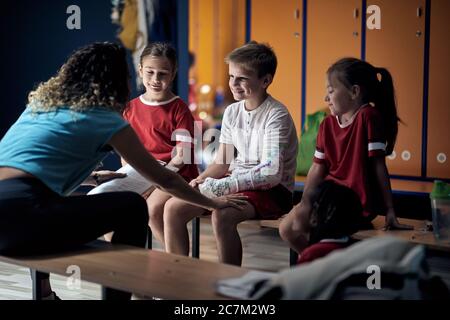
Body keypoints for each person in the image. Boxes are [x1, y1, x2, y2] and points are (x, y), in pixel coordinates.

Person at [0, 42, 247, 300]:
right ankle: (128, 290)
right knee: (131, 206)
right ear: (119, 80)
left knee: (48, 205)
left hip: (11, 213)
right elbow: (164, 179)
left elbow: (27, 166)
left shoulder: (40, 105)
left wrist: (93, 177)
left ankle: (44, 294)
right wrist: (211, 203)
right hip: (23, 218)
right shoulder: (107, 118)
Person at [161, 41, 298, 266]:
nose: (233, 84)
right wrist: (202, 179)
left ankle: (229, 284)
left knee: (222, 213)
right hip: (236, 182)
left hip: (273, 191)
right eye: (231, 76)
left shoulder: (277, 115)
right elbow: (222, 162)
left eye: (242, 78)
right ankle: (176, 276)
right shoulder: (233, 112)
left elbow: (271, 173)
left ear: (265, 80)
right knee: (173, 207)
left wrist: (223, 186)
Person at [279, 57, 413, 255]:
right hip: (329, 197)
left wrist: (390, 211)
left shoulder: (368, 116)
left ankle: (321, 265)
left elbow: (378, 166)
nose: (326, 98)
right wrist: (306, 201)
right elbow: (317, 168)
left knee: (305, 227)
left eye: (331, 91)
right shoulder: (327, 124)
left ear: (354, 92)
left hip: (356, 204)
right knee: (286, 229)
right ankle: (316, 264)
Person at [121, 42, 199, 245]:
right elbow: (126, 152)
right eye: (150, 72)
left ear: (173, 74)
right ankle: (123, 261)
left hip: (176, 175)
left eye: (163, 74)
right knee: (111, 203)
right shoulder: (130, 109)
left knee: (153, 209)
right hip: (143, 173)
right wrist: (131, 178)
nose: (155, 79)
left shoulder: (180, 109)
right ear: (140, 70)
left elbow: (183, 157)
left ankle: (178, 264)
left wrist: (154, 181)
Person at [296, 180, 363, 265]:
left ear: (314, 218)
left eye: (303, 204)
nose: (296, 209)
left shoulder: (312, 255)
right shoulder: (353, 249)